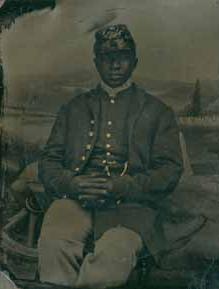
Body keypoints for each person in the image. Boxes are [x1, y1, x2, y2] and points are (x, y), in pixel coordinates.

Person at [38, 24, 183, 288]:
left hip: (133, 208)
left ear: (135, 61)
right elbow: (48, 163)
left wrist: (120, 185)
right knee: (53, 243)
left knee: (111, 260)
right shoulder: (73, 108)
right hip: (74, 200)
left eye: (123, 57)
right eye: (107, 57)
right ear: (96, 62)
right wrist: (72, 182)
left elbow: (170, 172)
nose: (115, 64)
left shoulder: (158, 111)